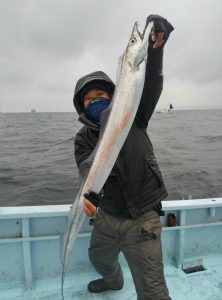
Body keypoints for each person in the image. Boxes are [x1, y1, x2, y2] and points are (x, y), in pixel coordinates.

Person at [73, 14, 174, 300]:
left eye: (101, 93)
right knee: (99, 258)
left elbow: (150, 83)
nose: (95, 100)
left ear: (115, 94)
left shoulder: (135, 117)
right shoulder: (83, 138)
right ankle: (113, 280)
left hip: (142, 219)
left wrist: (156, 48)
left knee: (153, 292)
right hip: (107, 216)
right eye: (88, 98)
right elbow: (86, 170)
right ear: (81, 106)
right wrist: (90, 197)